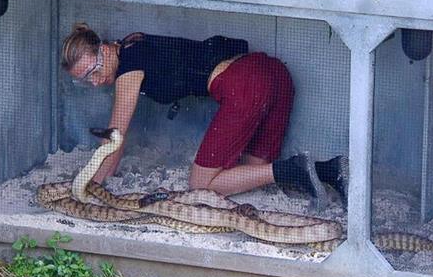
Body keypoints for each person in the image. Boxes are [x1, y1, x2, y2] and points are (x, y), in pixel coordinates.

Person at [60, 22, 347, 207]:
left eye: (93, 70)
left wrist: (90, 186)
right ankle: (330, 171)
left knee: (202, 184)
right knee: (248, 171)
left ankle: (296, 168)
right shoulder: (134, 43)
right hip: (273, 74)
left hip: (246, 83)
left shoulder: (129, 63)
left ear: (104, 49)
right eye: (84, 79)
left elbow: (115, 138)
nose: (95, 81)